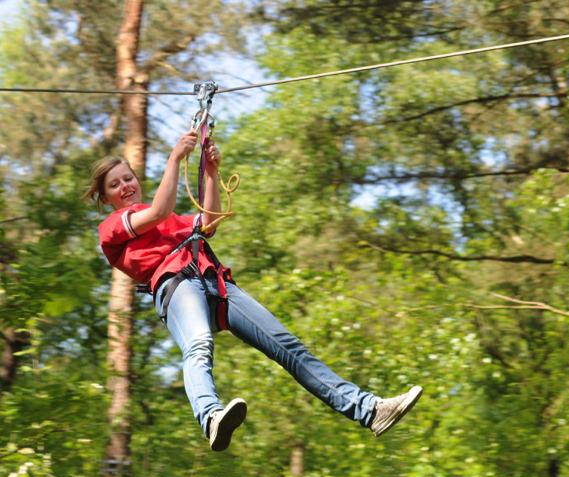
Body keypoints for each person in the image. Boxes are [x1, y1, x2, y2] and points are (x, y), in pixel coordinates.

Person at [82, 130, 422, 452]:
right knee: (199, 346)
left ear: (137, 181)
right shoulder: (111, 228)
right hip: (177, 285)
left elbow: (209, 222)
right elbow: (160, 210)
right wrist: (174, 159)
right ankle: (211, 417)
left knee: (288, 347)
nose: (125, 186)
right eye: (115, 185)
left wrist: (212, 172)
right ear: (106, 197)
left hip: (215, 282)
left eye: (128, 178)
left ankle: (369, 410)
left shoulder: (166, 218)